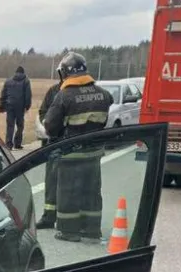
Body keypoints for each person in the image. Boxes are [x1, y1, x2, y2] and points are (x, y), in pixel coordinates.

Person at [42, 52, 113, 243]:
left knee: (68, 193)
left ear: (65, 73)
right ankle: (91, 230)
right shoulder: (103, 94)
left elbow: (50, 126)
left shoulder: (64, 96)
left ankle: (69, 231)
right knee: (92, 192)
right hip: (94, 154)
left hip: (71, 154)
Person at [35, 79, 64, 229]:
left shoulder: (79, 92)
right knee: (52, 182)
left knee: (75, 185)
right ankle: (49, 216)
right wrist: (49, 126)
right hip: (54, 144)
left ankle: (73, 221)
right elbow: (42, 112)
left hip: (75, 146)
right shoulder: (54, 91)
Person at [0, 66, 32, 150]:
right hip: (20, 107)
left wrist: (2, 105)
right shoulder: (26, 81)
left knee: (10, 125)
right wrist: (27, 106)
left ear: (15, 72)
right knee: (20, 125)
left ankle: (9, 144)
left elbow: (3, 94)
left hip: (9, 105)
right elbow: (28, 95)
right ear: (23, 73)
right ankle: (17, 143)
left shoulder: (8, 81)